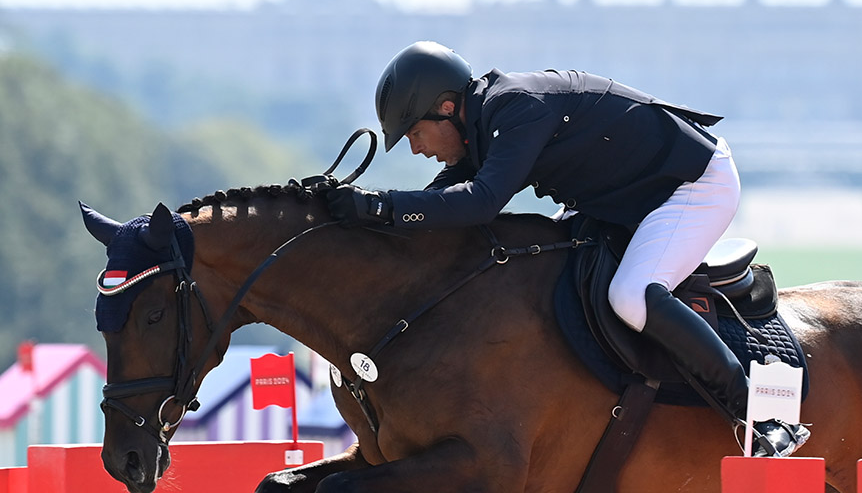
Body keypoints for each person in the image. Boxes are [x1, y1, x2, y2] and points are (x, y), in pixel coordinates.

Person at [326, 41, 805, 458]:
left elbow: (481, 203)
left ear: (447, 109)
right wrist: (367, 226)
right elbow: (439, 205)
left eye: (413, 133)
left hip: (692, 187)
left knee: (631, 295)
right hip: (624, 200)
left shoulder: (515, 107)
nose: (415, 149)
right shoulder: (481, 123)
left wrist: (377, 208)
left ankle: (760, 417)